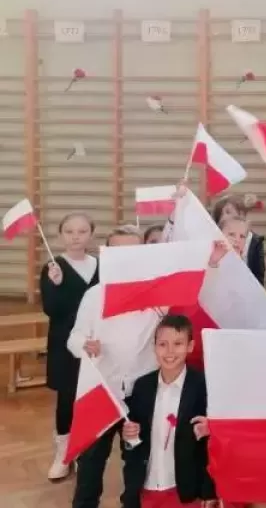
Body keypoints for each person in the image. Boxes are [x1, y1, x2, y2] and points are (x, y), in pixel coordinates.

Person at [69, 226, 164, 508]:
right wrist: (84, 344)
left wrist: (212, 262)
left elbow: (188, 285)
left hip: (141, 391)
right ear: (107, 255)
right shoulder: (94, 295)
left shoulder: (156, 296)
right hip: (101, 388)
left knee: (137, 460)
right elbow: (74, 337)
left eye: (132, 251)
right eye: (118, 251)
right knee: (91, 461)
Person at [120, 314, 218, 508]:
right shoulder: (142, 386)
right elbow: (132, 445)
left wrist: (209, 492)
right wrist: (129, 438)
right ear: (154, 347)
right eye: (163, 344)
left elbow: (209, 449)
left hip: (185, 492)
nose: (170, 351)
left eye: (178, 344)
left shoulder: (203, 386)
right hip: (147, 489)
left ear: (190, 346)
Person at [41, 212, 99, 481]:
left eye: (82, 231)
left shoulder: (100, 265)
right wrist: (56, 285)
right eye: (70, 231)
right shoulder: (53, 267)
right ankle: (63, 453)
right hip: (64, 343)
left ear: (91, 234)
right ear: (60, 235)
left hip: (95, 343)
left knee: (92, 396)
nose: (76, 237)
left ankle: (87, 450)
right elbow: (52, 310)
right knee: (66, 398)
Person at [211, 196, 265, 285]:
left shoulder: (254, 241)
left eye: (242, 236)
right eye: (228, 212)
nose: (234, 216)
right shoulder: (211, 240)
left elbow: (258, 279)